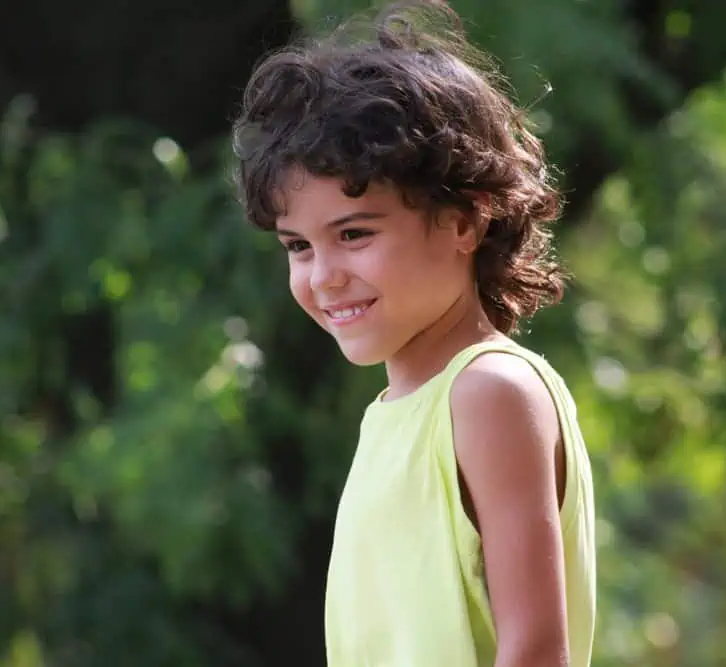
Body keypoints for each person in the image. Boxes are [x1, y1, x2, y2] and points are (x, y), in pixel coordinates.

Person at [231, 1, 595, 666]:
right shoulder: (392, 416)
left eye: (354, 234)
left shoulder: (489, 391)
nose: (324, 276)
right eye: (298, 246)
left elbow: (538, 649)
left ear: (464, 220)